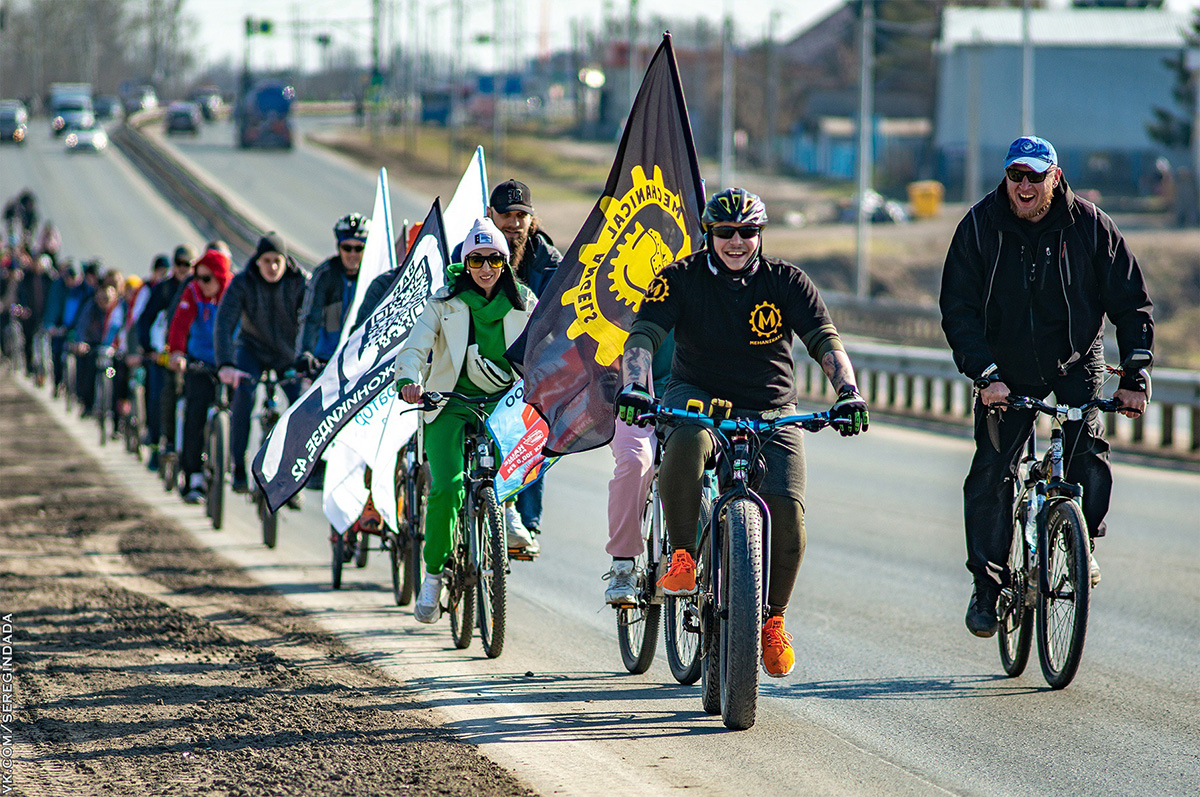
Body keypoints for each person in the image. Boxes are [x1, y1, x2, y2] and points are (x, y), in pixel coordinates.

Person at [614, 188, 869, 678]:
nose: (736, 242)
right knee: (684, 445)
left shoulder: (788, 281)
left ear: (760, 234)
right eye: (725, 232)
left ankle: (773, 620)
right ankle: (684, 555)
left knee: (789, 514)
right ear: (709, 234)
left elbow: (824, 342)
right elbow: (643, 335)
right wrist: (633, 386)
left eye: (747, 232)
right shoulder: (679, 279)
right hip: (696, 399)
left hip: (771, 407)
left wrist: (848, 392)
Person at [939, 136, 1154, 638]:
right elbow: (958, 309)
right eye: (1017, 175)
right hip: (1003, 367)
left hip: (1076, 357)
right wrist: (985, 374)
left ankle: (1081, 546)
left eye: (1036, 176)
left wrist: (1137, 374)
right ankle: (987, 589)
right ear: (1006, 178)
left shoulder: (1092, 226)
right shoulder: (978, 225)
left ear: (1055, 177)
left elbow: (1131, 303)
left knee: (1088, 457)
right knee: (992, 473)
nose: (1026, 186)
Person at [396, 218, 539, 624]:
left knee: (514, 468)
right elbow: (415, 347)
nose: (486, 267)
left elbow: (549, 345)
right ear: (466, 262)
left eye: (494, 258)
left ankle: (504, 511)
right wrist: (409, 380)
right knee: (448, 486)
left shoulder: (524, 302)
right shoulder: (444, 302)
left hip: (504, 404)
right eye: (476, 259)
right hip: (448, 402)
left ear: (506, 261)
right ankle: (433, 573)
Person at [480, 179, 563, 538]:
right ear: (490, 215)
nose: (513, 223)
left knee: (531, 431)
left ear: (532, 220)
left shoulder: (550, 263)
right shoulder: (469, 252)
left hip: (529, 366)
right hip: (477, 360)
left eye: (521, 216)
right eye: (505, 215)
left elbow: (561, 320)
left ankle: (523, 519)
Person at [214, 233, 309, 497]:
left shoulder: (300, 282)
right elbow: (224, 324)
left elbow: (313, 321)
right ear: (257, 261)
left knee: (301, 404)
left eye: (277, 260)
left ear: (285, 260)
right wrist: (225, 364)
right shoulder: (243, 282)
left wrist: (311, 360)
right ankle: (239, 468)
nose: (272, 267)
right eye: (266, 261)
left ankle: (294, 474)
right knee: (243, 394)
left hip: (286, 354)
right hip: (251, 350)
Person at [295, 212, 372, 513]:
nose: (353, 255)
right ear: (338, 247)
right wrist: (305, 353)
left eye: (359, 248)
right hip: (327, 358)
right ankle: (315, 465)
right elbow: (310, 316)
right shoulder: (325, 274)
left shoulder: (374, 273)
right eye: (347, 248)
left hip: (362, 358)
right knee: (314, 408)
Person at [603, 333, 674, 605]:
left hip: (691, 399)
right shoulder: (631, 294)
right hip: (633, 401)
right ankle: (623, 565)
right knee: (636, 461)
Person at [166, 249, 233, 503]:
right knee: (194, 415)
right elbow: (180, 324)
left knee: (239, 410)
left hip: (228, 363)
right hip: (199, 363)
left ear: (219, 276)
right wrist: (177, 353)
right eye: (199, 277)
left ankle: (235, 462)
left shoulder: (232, 292)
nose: (201, 283)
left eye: (207, 279)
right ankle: (193, 476)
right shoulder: (192, 292)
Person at [137, 247, 194, 470]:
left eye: (187, 264)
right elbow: (145, 319)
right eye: (179, 263)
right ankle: (157, 447)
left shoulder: (198, 288)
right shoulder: (162, 289)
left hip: (191, 356)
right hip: (164, 355)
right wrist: (147, 348)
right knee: (157, 399)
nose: (183, 268)